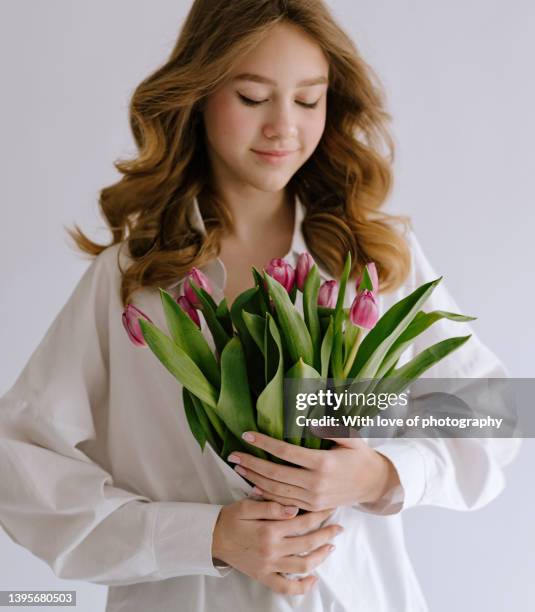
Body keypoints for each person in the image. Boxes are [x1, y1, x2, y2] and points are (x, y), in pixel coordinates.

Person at [0, 1, 520, 611]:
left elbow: (497, 411)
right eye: (251, 98)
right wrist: (206, 537)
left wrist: (379, 473)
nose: (284, 127)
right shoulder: (133, 279)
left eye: (307, 100)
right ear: (198, 96)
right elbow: (20, 463)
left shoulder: (371, 262)